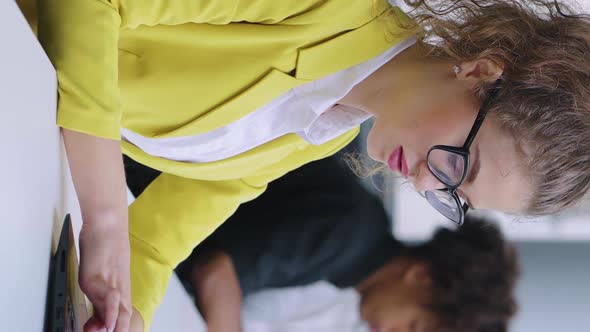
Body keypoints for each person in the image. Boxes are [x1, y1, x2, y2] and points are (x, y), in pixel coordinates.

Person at [34, 0, 589, 330]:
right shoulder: (330, 10)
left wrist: (119, 313)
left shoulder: (321, 134)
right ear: (480, 71)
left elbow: (153, 245)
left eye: (456, 199)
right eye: (459, 167)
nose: (425, 182)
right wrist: (105, 215)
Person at [171, 156, 519, 332]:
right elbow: (215, 271)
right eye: (414, 328)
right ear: (422, 277)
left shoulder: (354, 246)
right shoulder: (349, 234)